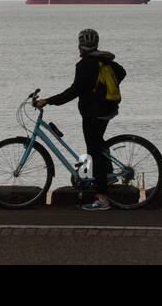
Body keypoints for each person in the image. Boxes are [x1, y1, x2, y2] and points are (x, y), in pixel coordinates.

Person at [36, 28, 126, 211]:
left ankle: (102, 198)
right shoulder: (105, 60)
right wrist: (103, 89)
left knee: (94, 151)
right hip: (108, 109)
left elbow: (73, 91)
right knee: (98, 146)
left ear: (80, 45)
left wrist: (48, 101)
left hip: (93, 113)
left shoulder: (85, 64)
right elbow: (122, 73)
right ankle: (109, 175)